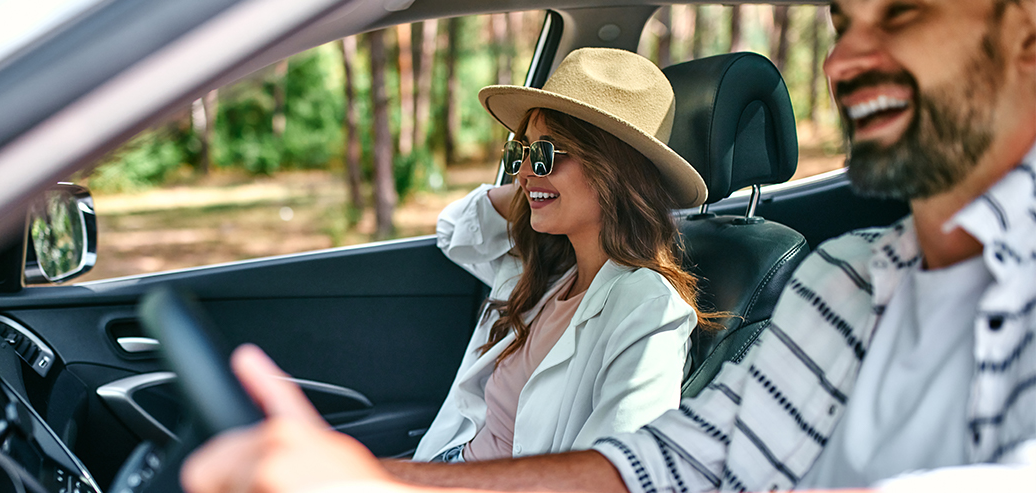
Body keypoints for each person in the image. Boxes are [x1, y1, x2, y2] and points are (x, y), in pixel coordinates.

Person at [181, 0, 1036, 491]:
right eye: (843, 19)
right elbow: (660, 466)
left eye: (907, 12)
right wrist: (371, 483)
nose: (846, 56)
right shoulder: (844, 284)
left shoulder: (646, 302)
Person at [413, 47, 714, 464]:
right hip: (448, 460)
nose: (521, 171)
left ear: (614, 170)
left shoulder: (651, 308)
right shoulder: (545, 268)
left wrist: (543, 189)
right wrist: (537, 186)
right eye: (521, 152)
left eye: (546, 154)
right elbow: (454, 230)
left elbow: (616, 473)